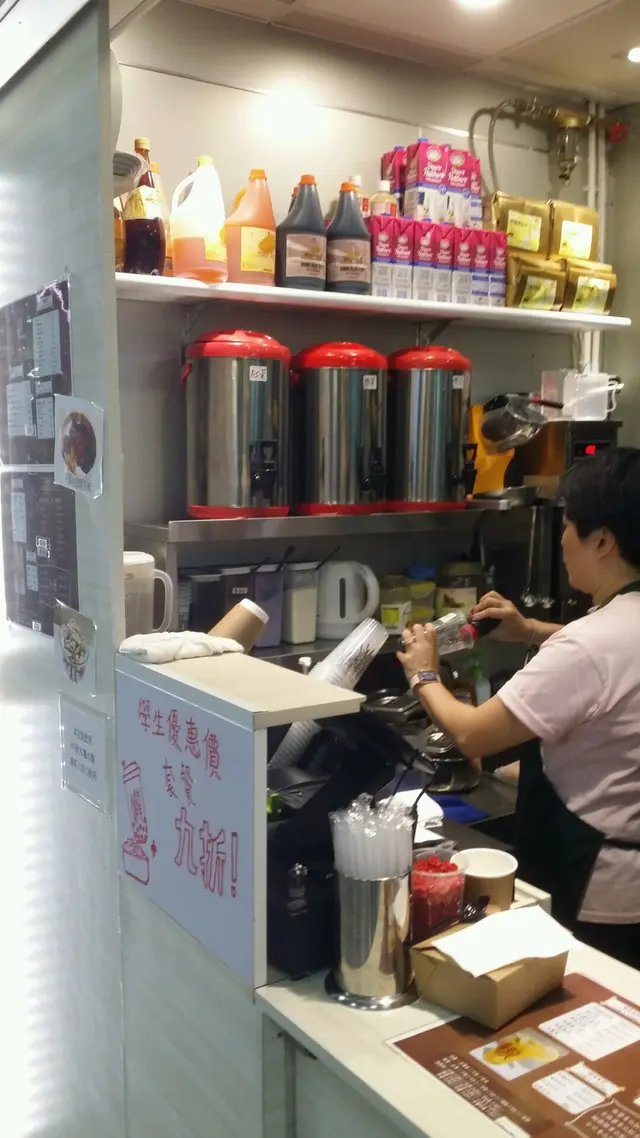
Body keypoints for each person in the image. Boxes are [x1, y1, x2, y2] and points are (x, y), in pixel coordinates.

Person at [398, 448, 640, 968]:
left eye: (568, 525)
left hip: (591, 885)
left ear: (603, 540)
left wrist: (423, 673)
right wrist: (529, 629)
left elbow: (471, 733)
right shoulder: (612, 629)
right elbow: (611, 656)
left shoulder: (588, 645)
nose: (562, 539)